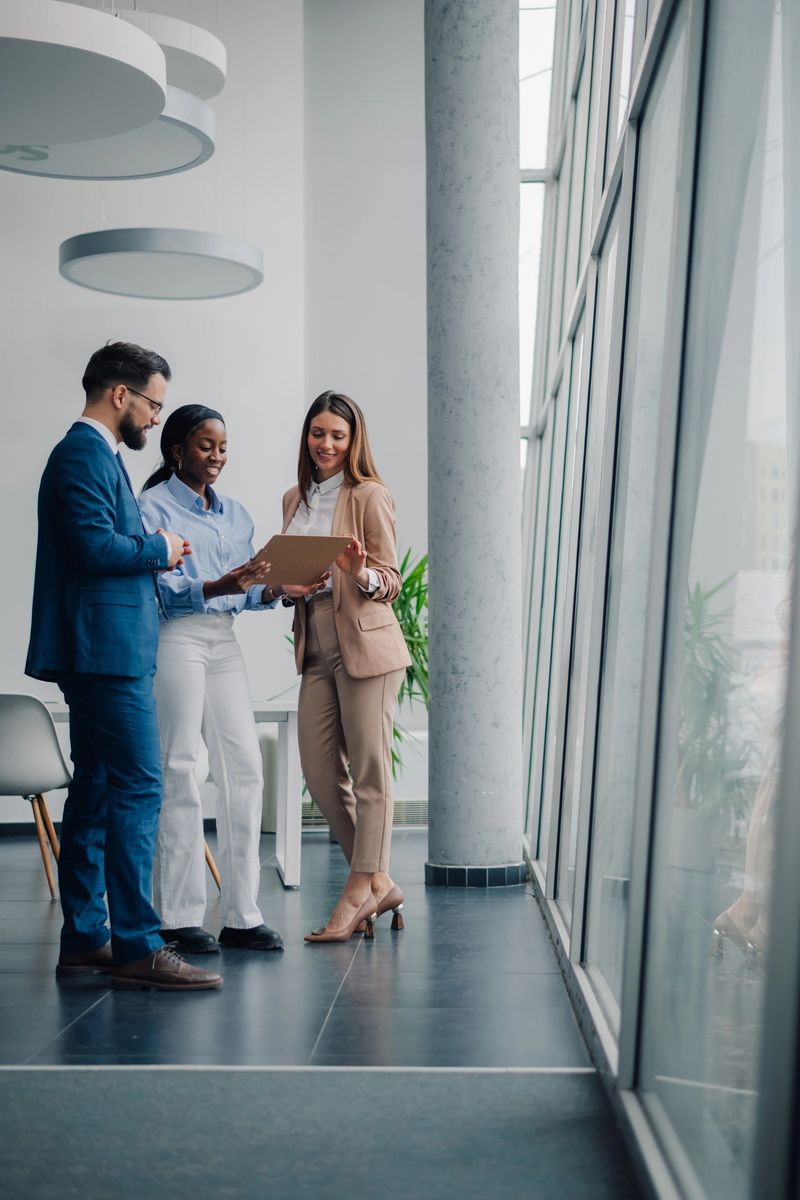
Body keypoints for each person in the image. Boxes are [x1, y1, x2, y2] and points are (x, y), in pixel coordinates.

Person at [25, 343, 222, 991]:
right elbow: (89, 547)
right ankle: (139, 944)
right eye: (153, 405)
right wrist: (158, 547)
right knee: (141, 786)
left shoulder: (92, 455)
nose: (153, 419)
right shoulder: (82, 453)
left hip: (107, 649)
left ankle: (85, 938)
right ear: (120, 395)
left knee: (97, 791)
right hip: (104, 653)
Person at [139, 405, 325, 954]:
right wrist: (222, 584)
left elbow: (246, 591)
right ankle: (175, 914)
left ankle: (242, 913)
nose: (217, 456)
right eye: (205, 446)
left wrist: (275, 591)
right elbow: (161, 590)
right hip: (176, 637)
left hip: (223, 639)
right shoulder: (151, 507)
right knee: (180, 767)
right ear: (178, 451)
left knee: (244, 771)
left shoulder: (236, 516)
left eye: (222, 447)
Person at [281, 390, 411, 942]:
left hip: (365, 645)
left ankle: (360, 887)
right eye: (318, 433)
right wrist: (289, 588)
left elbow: (390, 580)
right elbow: (292, 575)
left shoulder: (369, 495)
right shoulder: (294, 499)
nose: (326, 444)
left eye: (338, 434)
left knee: (369, 770)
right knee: (319, 773)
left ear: (353, 440)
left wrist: (359, 574)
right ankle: (380, 881)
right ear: (307, 437)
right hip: (314, 644)